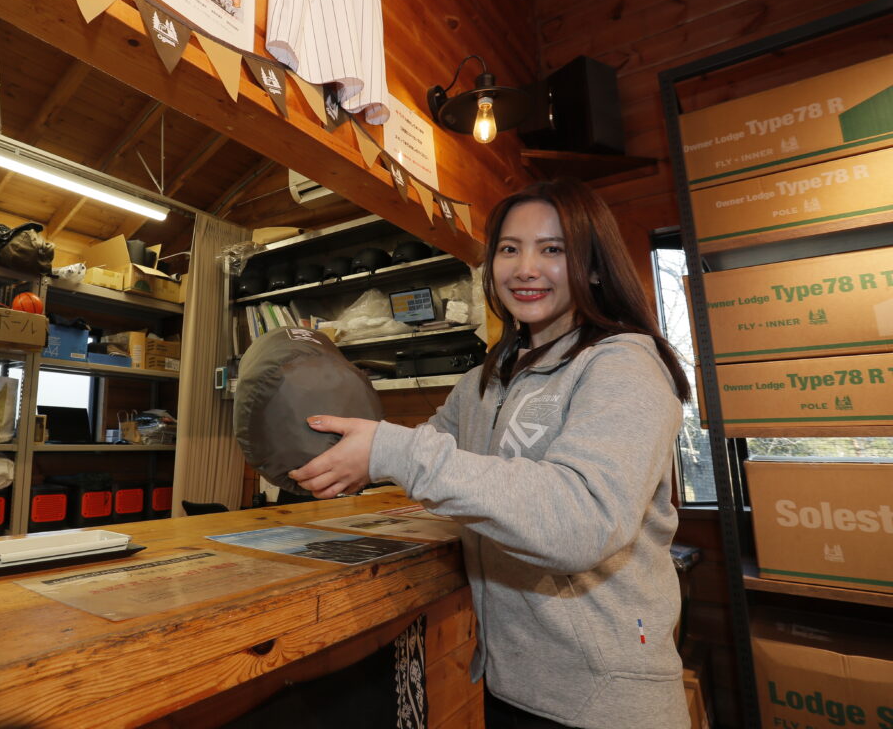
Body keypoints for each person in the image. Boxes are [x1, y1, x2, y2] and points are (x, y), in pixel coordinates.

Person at [289, 179, 692, 729]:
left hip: (602, 701)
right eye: (509, 248)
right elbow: (431, 455)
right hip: (512, 685)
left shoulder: (622, 366)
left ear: (594, 268)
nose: (526, 267)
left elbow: (582, 520)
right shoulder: (485, 381)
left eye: (553, 249)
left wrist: (394, 451)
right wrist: (342, 452)